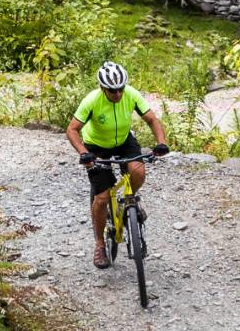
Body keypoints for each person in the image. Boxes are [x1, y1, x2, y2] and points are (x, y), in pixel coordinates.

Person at [65, 60, 170, 269]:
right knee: (102, 198)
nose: (118, 94)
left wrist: (161, 142)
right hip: (96, 146)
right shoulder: (92, 100)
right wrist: (84, 153)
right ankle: (99, 244)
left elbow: (152, 120)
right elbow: (72, 130)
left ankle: (130, 201)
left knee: (138, 172)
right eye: (113, 91)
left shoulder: (131, 94)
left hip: (123, 141)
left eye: (121, 89)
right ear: (103, 88)